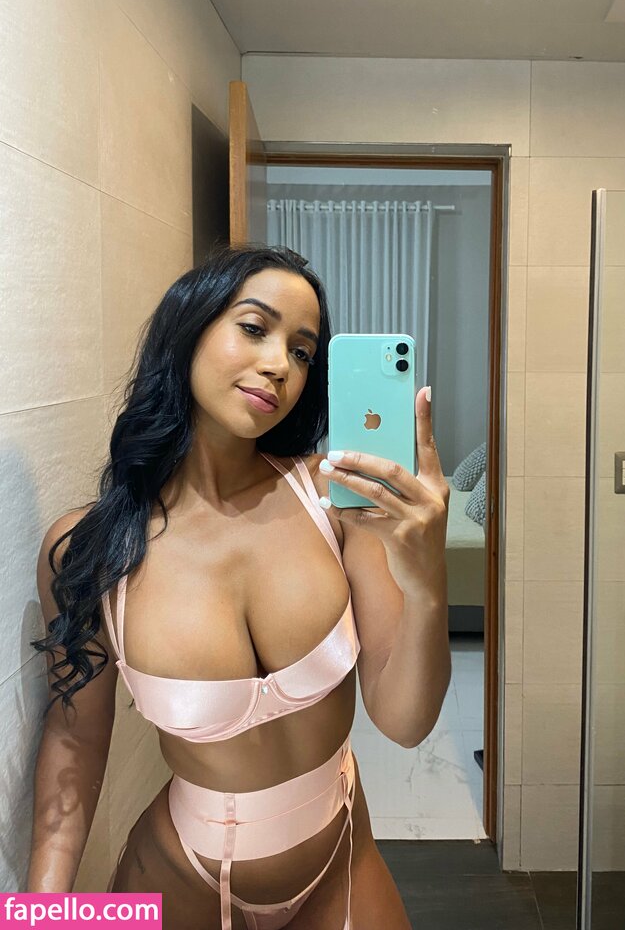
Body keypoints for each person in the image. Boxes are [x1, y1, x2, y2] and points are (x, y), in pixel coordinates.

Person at [27, 243, 451, 929]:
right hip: (178, 877)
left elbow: (406, 724)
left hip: (341, 858)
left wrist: (428, 580)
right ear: (189, 330)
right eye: (255, 328)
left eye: (303, 352)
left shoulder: (331, 502)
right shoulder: (92, 548)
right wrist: (39, 912)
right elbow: (75, 738)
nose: (280, 364)